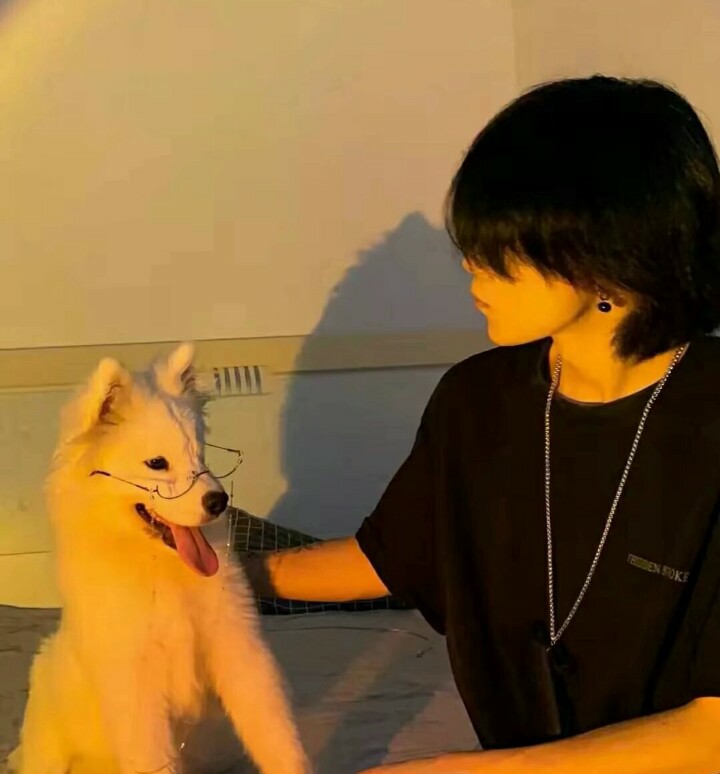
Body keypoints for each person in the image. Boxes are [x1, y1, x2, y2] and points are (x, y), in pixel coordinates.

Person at [246, 75, 720, 773]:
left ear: (607, 255)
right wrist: (227, 576)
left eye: (502, 248)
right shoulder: (477, 401)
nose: (471, 265)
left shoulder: (705, 422)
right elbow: (392, 557)